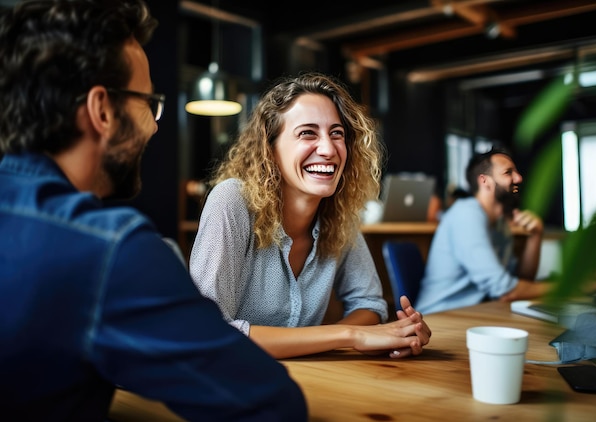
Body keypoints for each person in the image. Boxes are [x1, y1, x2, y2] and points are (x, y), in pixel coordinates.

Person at [0, 1, 306, 420]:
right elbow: (271, 404)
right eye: (149, 103)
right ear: (102, 110)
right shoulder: (109, 251)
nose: (155, 125)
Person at [189, 72, 432, 360]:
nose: (328, 149)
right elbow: (205, 333)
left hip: (306, 382)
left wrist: (387, 334)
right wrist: (350, 335)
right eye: (308, 133)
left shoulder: (341, 214)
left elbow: (369, 304)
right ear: (270, 148)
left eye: (336, 133)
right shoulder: (232, 201)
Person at [415, 147, 552, 314]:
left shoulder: (500, 224)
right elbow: (506, 290)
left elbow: (521, 281)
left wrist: (535, 236)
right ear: (484, 181)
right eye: (508, 172)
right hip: (439, 319)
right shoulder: (466, 215)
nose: (519, 178)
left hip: (474, 314)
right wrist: (571, 287)